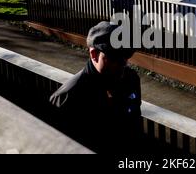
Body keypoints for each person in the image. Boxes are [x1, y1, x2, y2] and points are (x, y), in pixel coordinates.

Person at [49, 21, 142, 154]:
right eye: (115, 57)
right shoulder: (67, 98)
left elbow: (135, 123)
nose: (123, 63)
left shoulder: (130, 79)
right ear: (94, 54)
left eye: (126, 56)